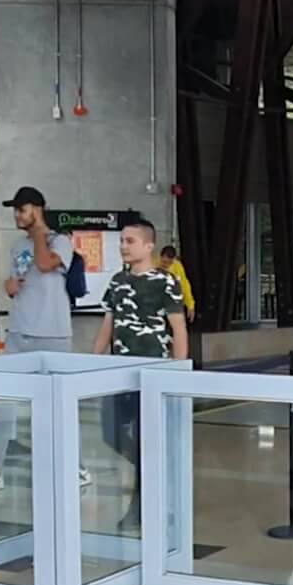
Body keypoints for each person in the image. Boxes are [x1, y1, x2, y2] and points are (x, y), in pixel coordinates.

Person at [0, 185, 88, 494]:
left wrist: (39, 230)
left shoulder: (60, 242)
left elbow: (46, 264)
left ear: (37, 209)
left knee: (60, 405)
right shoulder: (15, 246)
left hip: (53, 335)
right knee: (4, 404)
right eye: (16, 210)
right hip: (19, 333)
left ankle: (77, 467)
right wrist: (9, 285)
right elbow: (17, 280)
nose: (17, 215)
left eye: (23, 210)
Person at [94, 218, 188, 528]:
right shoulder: (118, 282)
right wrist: (92, 365)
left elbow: (178, 327)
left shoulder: (165, 282)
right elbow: (108, 325)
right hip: (117, 372)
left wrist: (177, 372)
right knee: (111, 433)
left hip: (152, 373)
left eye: (130, 241)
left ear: (149, 246)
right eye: (122, 240)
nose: (123, 246)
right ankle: (152, 475)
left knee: (147, 438)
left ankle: (143, 505)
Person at [159, 244, 196, 320]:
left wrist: (190, 305)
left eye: (170, 263)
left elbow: (185, 286)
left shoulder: (177, 267)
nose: (166, 265)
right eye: (164, 262)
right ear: (161, 257)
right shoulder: (152, 265)